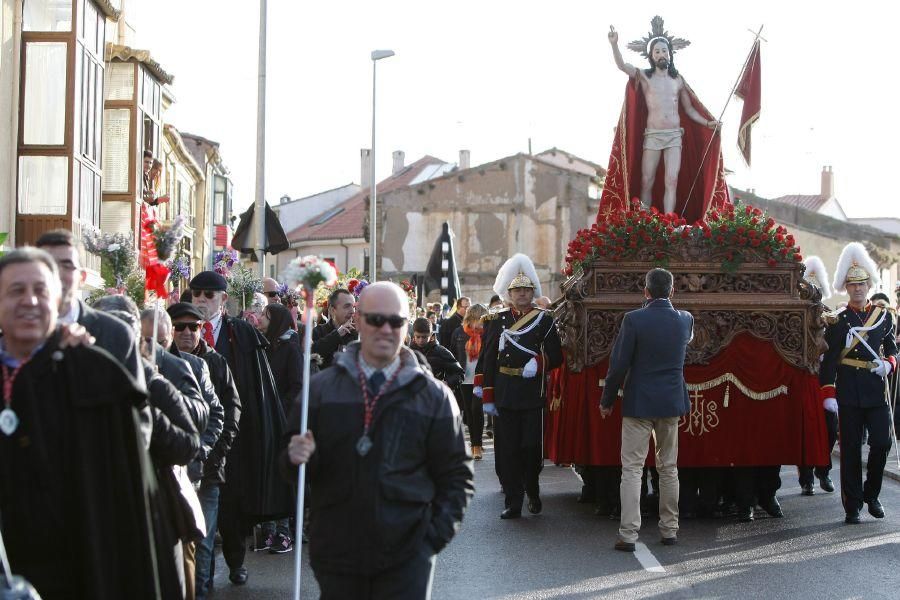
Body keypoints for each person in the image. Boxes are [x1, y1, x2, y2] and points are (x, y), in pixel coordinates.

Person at [283, 282, 473, 600]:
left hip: (408, 558)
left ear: (407, 324)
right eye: (375, 320)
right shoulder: (320, 390)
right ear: (358, 321)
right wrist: (295, 457)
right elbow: (293, 469)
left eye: (396, 321)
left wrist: (430, 541)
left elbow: (457, 477)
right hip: (337, 556)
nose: (386, 329)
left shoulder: (434, 396)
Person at [0, 248, 171, 598]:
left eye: (41, 290)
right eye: (16, 290)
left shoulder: (97, 377)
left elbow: (128, 500)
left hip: (83, 570)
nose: (29, 301)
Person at [189, 270, 292, 585]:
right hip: (193, 429)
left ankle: (235, 561)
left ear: (223, 300)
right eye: (197, 295)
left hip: (234, 432)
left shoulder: (241, 333)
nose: (203, 301)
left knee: (231, 502)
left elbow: (256, 385)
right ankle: (197, 572)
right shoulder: (181, 328)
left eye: (209, 295)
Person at [599, 268, 693, 551]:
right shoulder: (686, 320)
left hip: (639, 402)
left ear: (646, 292)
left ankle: (628, 534)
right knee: (669, 469)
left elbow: (618, 366)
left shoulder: (634, 320)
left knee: (632, 469)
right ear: (673, 291)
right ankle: (669, 530)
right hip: (671, 402)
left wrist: (607, 401)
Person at [35, 229, 151, 446]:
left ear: (82, 277)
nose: (57, 273)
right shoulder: (18, 334)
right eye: (47, 265)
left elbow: (137, 416)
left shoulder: (115, 335)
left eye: (66, 265)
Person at [604, 17, 725, 220]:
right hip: (652, 135)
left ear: (670, 54)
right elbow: (623, 66)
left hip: (674, 136)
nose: (662, 54)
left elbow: (689, 110)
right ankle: (644, 222)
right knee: (647, 179)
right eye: (657, 51)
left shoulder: (677, 80)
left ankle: (669, 220)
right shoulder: (645, 76)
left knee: (672, 180)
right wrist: (614, 45)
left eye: (665, 51)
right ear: (651, 56)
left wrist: (707, 123)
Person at [475, 253, 563, 519]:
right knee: (507, 449)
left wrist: (539, 361)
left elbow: (557, 355)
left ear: (532, 292)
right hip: (504, 392)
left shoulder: (544, 320)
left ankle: (533, 490)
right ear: (509, 293)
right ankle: (514, 500)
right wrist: (486, 392)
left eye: (526, 290)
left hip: (531, 394)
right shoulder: (496, 321)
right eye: (517, 290)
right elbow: (487, 359)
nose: (522, 294)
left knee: (530, 448)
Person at [167, 301, 241, 600]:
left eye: (193, 327)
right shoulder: (157, 362)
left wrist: (215, 452)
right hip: (170, 470)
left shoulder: (215, 362)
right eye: (179, 326)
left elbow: (229, 411)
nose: (186, 332)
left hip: (207, 469)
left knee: (204, 542)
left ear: (202, 330)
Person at [820, 242, 898, 524]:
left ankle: (872, 494)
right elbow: (829, 361)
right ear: (846, 288)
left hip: (876, 391)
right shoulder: (838, 321)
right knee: (850, 450)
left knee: (882, 443)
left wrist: (888, 364)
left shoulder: (883, 317)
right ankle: (852, 505)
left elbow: (893, 349)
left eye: (861, 284)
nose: (857, 289)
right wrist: (828, 393)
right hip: (849, 391)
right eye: (852, 285)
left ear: (868, 285)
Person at [257, 302, 313, 554]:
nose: (259, 319)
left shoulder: (289, 349)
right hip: (266, 419)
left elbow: (297, 384)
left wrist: (278, 405)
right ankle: (267, 530)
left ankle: (285, 531)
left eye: (264, 315)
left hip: (283, 419)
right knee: (266, 473)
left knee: (283, 476)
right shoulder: (264, 346)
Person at [798, 256, 838, 496]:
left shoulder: (831, 317)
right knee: (805, 429)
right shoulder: (796, 316)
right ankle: (806, 476)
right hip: (803, 378)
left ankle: (823, 470)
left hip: (824, 380)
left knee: (830, 429)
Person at [451, 304, 489, 459]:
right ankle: (475, 442)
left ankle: (477, 445)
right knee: (469, 412)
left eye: (481, 321)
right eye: (476, 320)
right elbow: (452, 354)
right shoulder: (459, 333)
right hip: (464, 378)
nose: (478, 324)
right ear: (469, 319)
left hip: (481, 377)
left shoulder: (487, 333)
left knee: (476, 410)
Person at [410, 317, 464, 388]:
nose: (421, 340)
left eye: (424, 337)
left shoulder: (441, 352)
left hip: (434, 394)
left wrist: (446, 383)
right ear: (414, 334)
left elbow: (459, 374)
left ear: (431, 334)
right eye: (418, 337)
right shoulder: (407, 352)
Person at [312, 288, 358, 368]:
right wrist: (337, 334)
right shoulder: (318, 331)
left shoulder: (356, 333)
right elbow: (312, 354)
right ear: (332, 310)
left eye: (353, 307)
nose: (352, 311)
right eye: (347, 306)